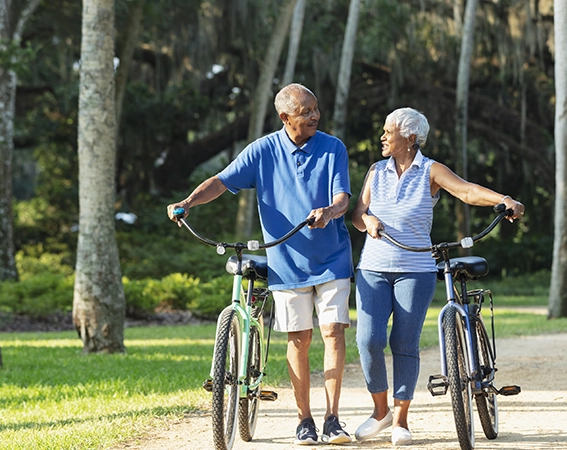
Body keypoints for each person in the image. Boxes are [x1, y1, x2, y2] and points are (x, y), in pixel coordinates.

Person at [167, 83, 354, 445]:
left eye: (316, 109)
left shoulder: (333, 148)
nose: (315, 116)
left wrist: (329, 212)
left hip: (332, 257)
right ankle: (305, 421)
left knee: (333, 332)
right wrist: (188, 202)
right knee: (299, 339)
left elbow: (342, 198)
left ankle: (333, 419)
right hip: (285, 261)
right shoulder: (263, 150)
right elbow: (221, 181)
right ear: (285, 117)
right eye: (306, 112)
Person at [350, 107, 524, 445]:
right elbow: (359, 212)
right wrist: (367, 221)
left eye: (389, 131)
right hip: (372, 267)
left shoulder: (430, 170)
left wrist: (503, 200)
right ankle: (380, 411)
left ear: (410, 138)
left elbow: (467, 191)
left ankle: (400, 419)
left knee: (404, 342)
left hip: (415, 270)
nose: (383, 136)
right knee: (368, 340)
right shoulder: (376, 170)